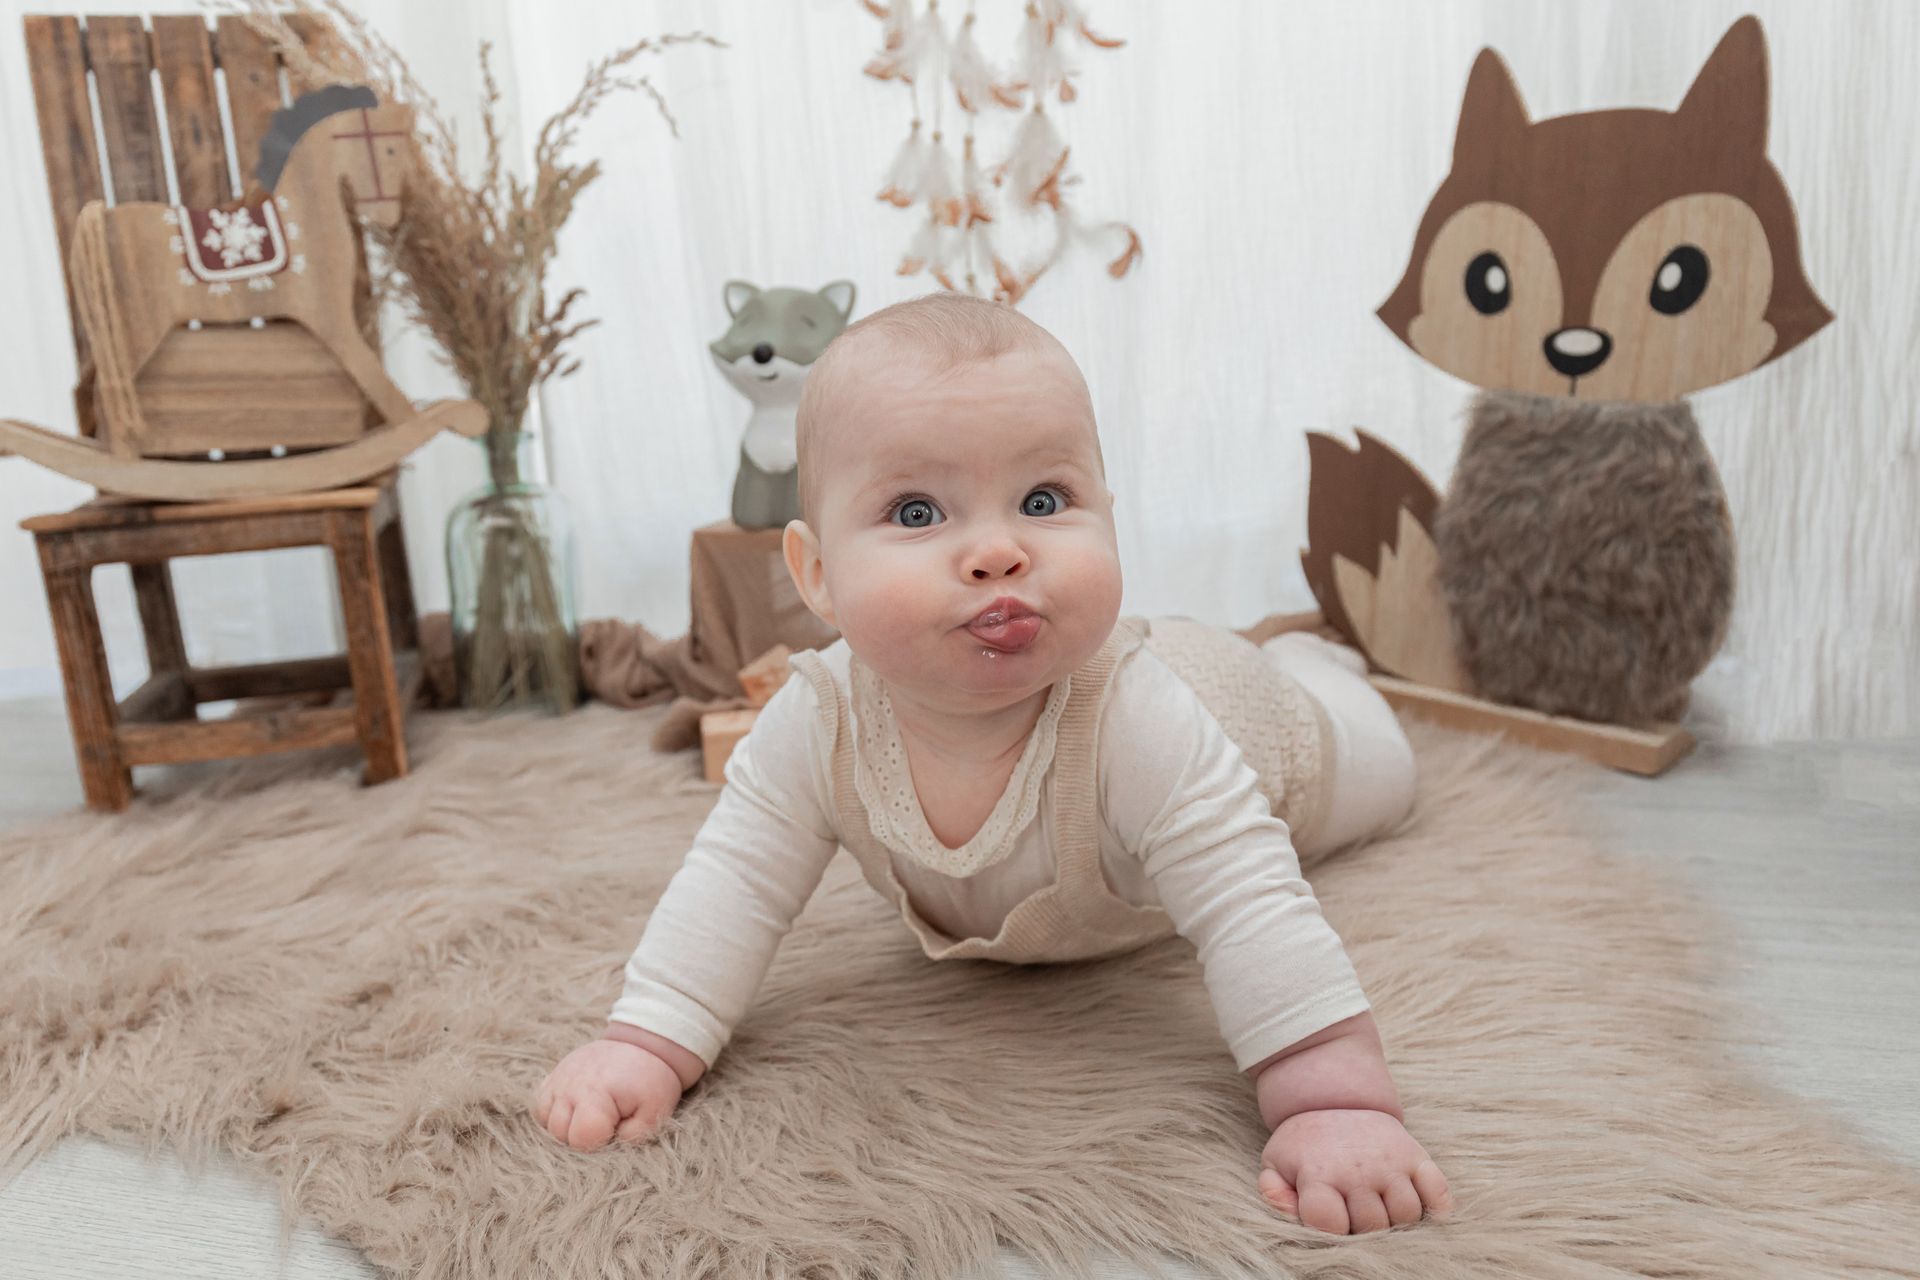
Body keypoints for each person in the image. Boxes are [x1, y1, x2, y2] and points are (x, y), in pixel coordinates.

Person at [534, 293, 1451, 1235]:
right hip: (1164, 697)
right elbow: (735, 880)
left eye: (1045, 503)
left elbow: (1246, 894)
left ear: (1109, 516)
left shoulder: (1138, 720)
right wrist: (649, 1039)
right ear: (815, 577)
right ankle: (1285, 647)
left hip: (1263, 731)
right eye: (918, 510)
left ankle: (1313, 659)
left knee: (1381, 761)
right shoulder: (817, 719)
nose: (998, 552)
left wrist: (1331, 1096)